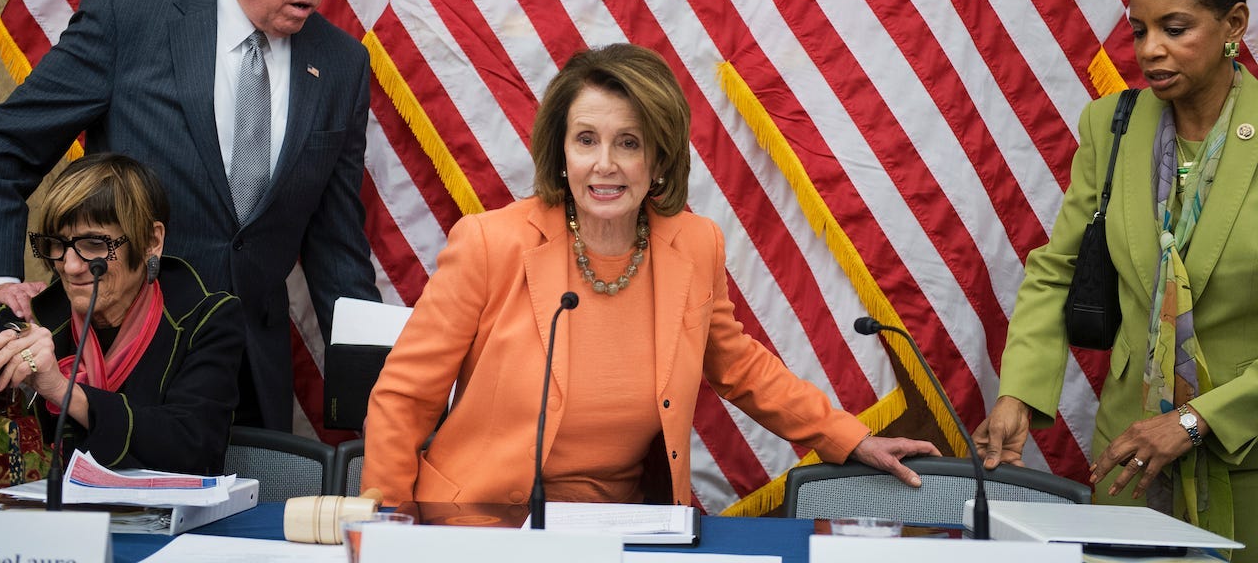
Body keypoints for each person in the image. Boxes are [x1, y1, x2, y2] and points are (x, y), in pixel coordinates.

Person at [362, 43, 939, 506]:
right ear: (561, 153)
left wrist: (847, 436)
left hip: (629, 527)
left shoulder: (693, 243)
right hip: (482, 521)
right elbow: (404, 396)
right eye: (586, 140)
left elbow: (737, 364)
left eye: (629, 143)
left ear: (659, 160)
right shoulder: (490, 243)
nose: (605, 164)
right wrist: (387, 526)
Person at [0, 0, 379, 430]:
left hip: (252, 378)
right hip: (125, 363)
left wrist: (379, 401)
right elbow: (3, 150)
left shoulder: (341, 63)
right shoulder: (130, 16)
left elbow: (337, 246)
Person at [973, 0, 1257, 555]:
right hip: (1128, 461)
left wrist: (1194, 419)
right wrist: (1019, 392)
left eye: (1176, 29)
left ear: (1234, 22)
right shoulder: (1112, 123)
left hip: (1246, 460)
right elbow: (1058, 269)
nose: (1151, 51)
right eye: (1138, 31)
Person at [0, 154, 244, 481]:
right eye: (58, 244)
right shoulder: (33, 318)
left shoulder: (206, 320)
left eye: (93, 244)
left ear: (150, 241)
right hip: (47, 523)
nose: (71, 267)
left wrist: (61, 390)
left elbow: (193, 448)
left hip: (161, 526)